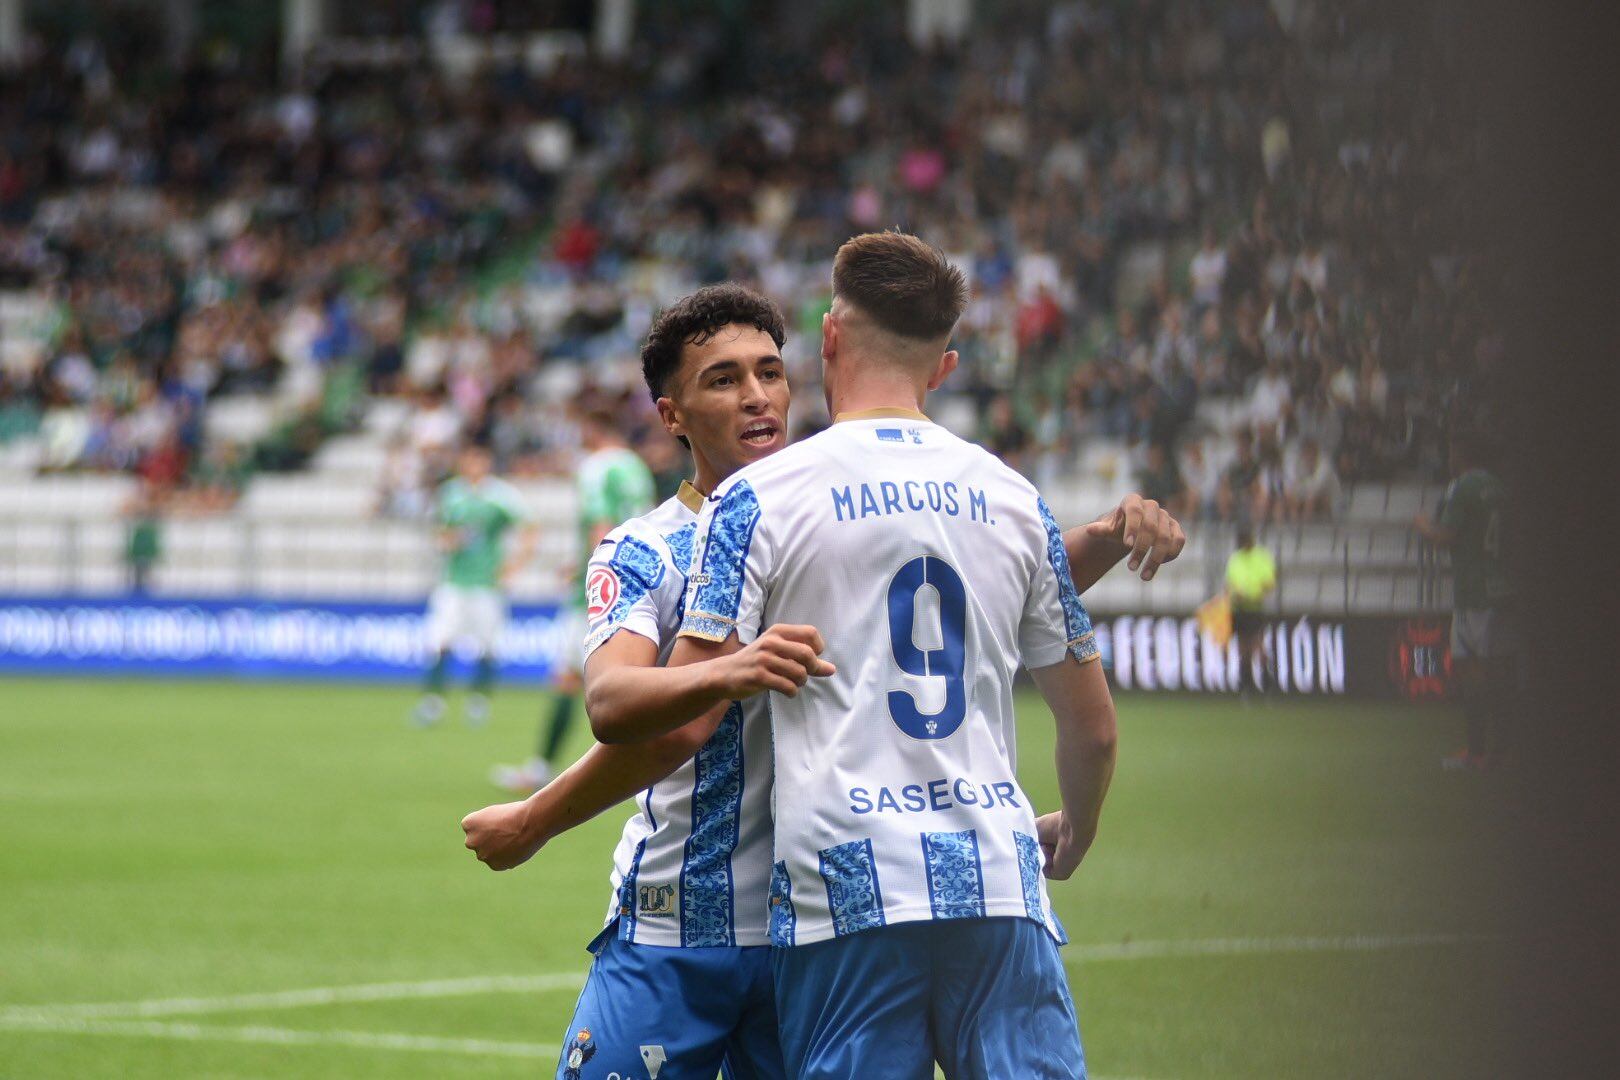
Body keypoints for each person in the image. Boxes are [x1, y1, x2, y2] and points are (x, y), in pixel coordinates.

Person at [461, 280, 1187, 1080]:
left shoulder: (816, 503)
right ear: (670, 416)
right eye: (724, 380)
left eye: (770, 372)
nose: (757, 397)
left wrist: (1107, 535)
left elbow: (978, 579)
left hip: (817, 923)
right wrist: (544, 813)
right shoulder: (644, 552)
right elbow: (638, 718)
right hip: (681, 920)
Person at [606, 233, 1119, 1079]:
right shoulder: (1015, 498)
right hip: (996, 874)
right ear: (943, 367)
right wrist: (1076, 829)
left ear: (828, 340)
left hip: (845, 890)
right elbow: (1093, 732)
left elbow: (684, 715)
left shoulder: (757, 497)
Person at [491, 407, 656, 791]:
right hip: (641, 585)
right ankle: (648, 773)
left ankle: (542, 768)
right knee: (634, 681)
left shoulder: (597, 467)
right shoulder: (636, 469)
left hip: (601, 594)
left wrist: (595, 575)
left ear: (592, 431)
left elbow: (600, 527)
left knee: (569, 678)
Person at [413, 443, 538, 726]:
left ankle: (478, 702)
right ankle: (433, 701)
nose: (474, 465)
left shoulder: (499, 495)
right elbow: (440, 532)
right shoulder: (451, 494)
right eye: (469, 459)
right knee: (439, 641)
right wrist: (448, 541)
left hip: (487, 584)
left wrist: (515, 565)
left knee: (488, 645)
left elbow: (529, 526)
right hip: (454, 581)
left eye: (479, 459)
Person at [1415, 430, 1513, 770]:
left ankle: (1477, 752)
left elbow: (1445, 536)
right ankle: (1500, 752)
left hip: (1473, 593)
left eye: (1451, 451)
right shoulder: (1500, 488)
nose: (1448, 458)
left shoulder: (1461, 487)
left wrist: (1424, 525)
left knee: (1473, 673)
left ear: (1460, 453)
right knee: (1498, 673)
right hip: (1500, 589)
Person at [1225, 527, 1278, 699]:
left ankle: (1267, 682)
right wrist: (1235, 594)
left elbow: (1269, 583)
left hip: (1255, 609)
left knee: (1258, 646)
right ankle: (1246, 685)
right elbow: (1229, 584)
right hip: (1239, 609)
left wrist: (1251, 594)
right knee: (1243, 649)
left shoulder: (1262, 557)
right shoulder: (1236, 558)